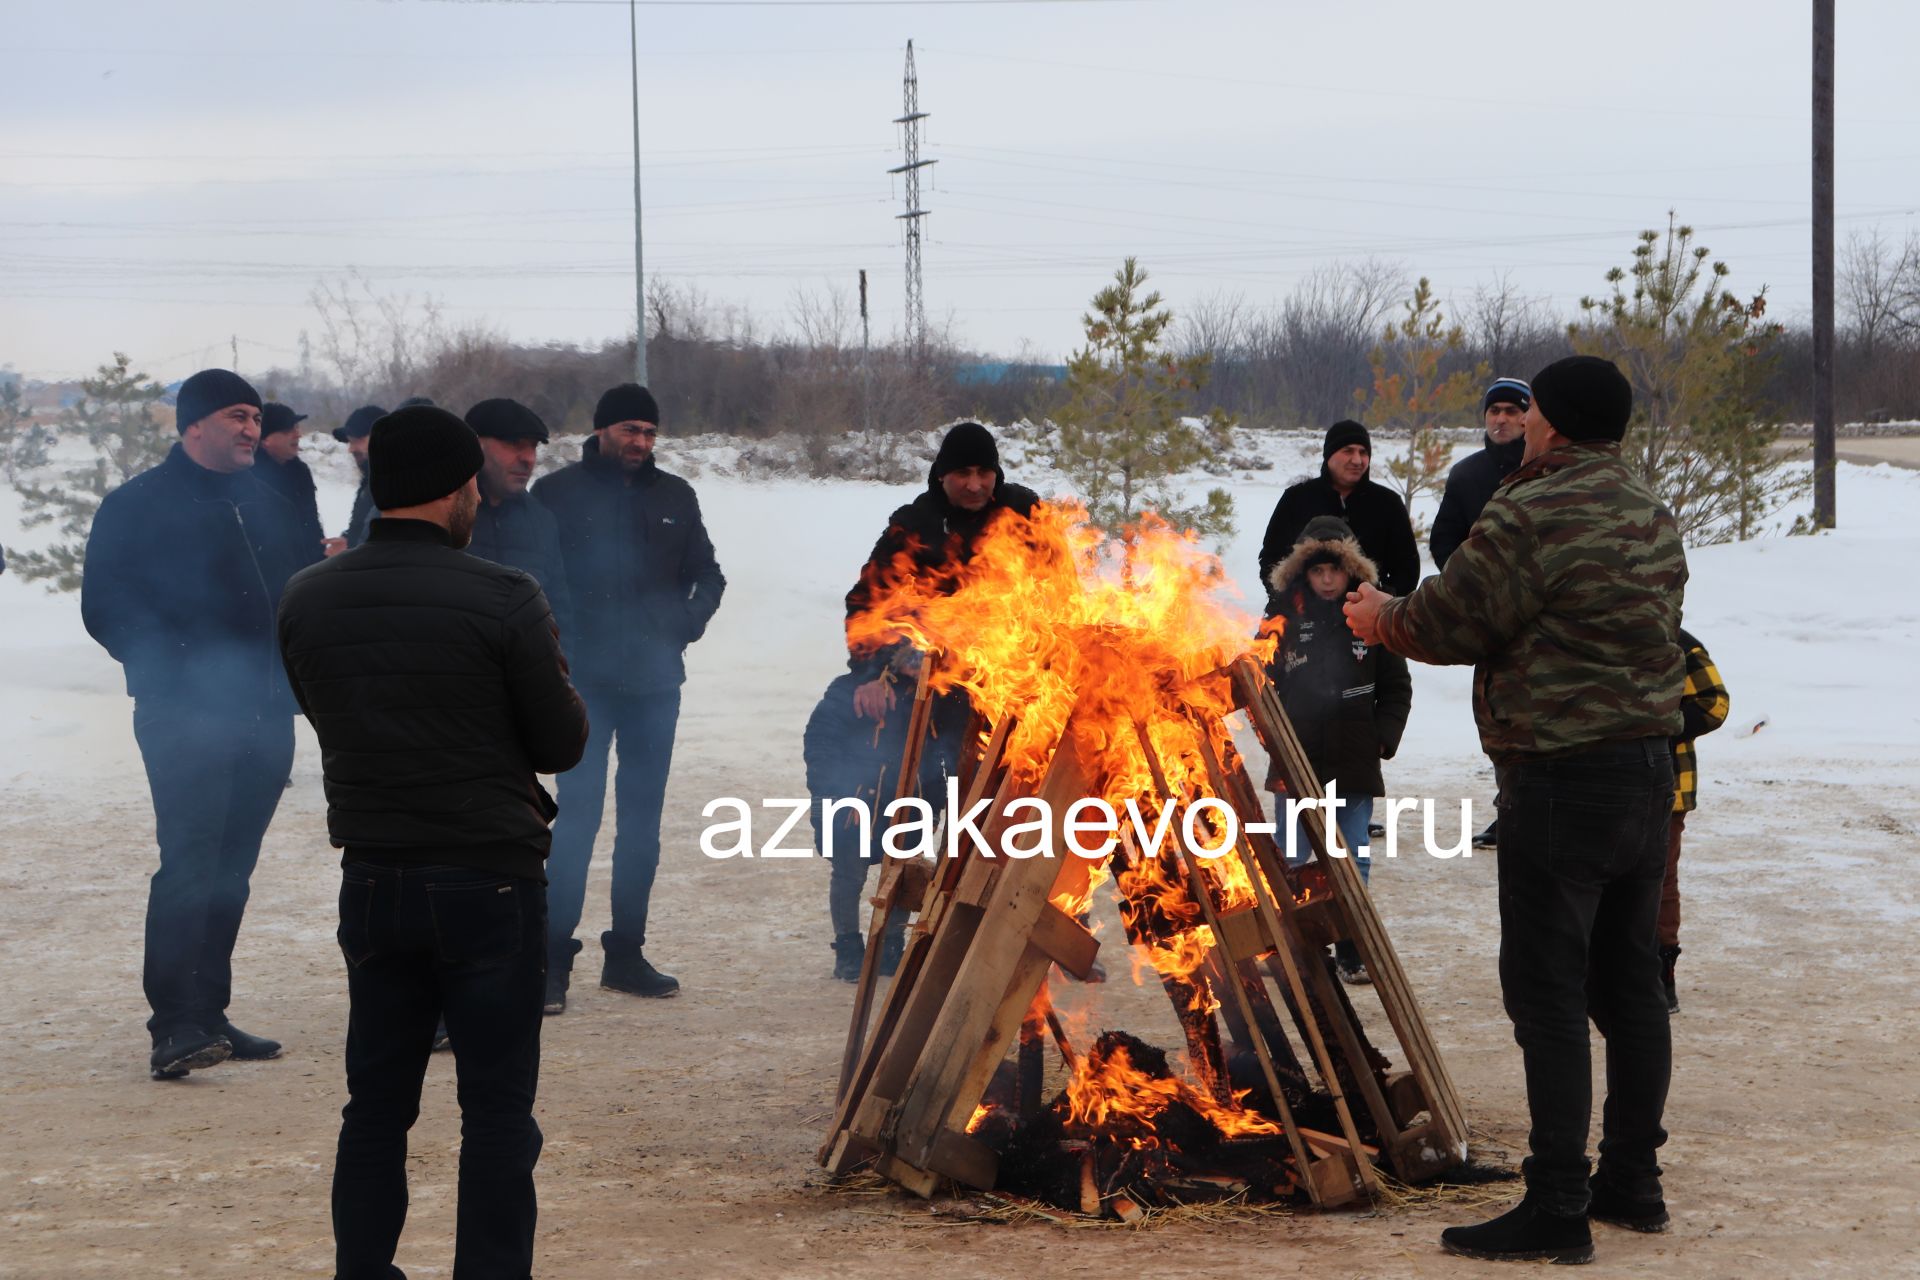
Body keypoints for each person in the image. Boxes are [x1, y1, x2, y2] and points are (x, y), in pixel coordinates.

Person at [1345, 355, 1687, 1264]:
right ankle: (1633, 1183)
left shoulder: (1529, 509)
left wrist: (1381, 615)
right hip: (1648, 771)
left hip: (1559, 776)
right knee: (1630, 986)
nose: (1522, 422)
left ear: (1556, 421)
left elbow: (1451, 621)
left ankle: (1559, 1207)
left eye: (1530, 409)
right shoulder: (1649, 509)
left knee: (1547, 995)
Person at [278, 404, 588, 1280]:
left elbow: (321, 706)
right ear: (458, 492)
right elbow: (560, 743)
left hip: (373, 879)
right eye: (472, 492)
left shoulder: (307, 594)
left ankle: (363, 1271)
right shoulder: (505, 597)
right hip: (488, 880)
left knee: (374, 1106)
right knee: (495, 1110)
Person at [80, 368, 319, 1080]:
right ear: (193, 427)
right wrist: (178, 669)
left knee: (233, 870)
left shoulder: (267, 498)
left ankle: (210, 1012)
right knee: (191, 862)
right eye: (238, 416)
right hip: (186, 713)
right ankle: (173, 1024)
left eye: (254, 417)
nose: (252, 428)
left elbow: (302, 587)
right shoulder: (137, 505)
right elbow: (106, 607)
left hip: (267, 709)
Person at [532, 383, 725, 1007]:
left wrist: (682, 626)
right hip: (582, 686)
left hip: (654, 685)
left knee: (640, 826)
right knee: (577, 821)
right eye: (629, 431)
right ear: (601, 430)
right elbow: (534, 584)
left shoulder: (676, 495)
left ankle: (627, 954)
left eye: (648, 432)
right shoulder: (557, 495)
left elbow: (709, 576)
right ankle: (552, 961)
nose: (639, 443)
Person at [828, 422, 1040, 978]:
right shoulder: (915, 524)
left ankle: (990, 935)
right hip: (925, 694)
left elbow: (1055, 591)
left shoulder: (1024, 514)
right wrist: (871, 673)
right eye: (963, 473)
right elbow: (864, 603)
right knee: (913, 816)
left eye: (984, 472)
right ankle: (895, 938)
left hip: (1001, 689)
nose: (975, 484)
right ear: (942, 474)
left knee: (997, 817)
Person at [1263, 514, 1411, 984]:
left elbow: (1397, 685)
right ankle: (1290, 943)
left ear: (1351, 570)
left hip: (1353, 751)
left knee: (1352, 855)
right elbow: (1259, 683)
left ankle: (1352, 947)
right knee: (1291, 853)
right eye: (1317, 570)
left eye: (1335, 569)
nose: (1327, 579)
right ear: (1303, 571)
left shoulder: (1370, 614)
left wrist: (1382, 736)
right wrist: (1273, 734)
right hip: (1297, 751)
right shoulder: (1280, 617)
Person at [1431, 376, 1533, 850]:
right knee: (1498, 714)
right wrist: (1467, 588)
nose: (1502, 419)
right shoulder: (1468, 474)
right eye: (1495, 411)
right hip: (1490, 618)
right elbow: (1444, 539)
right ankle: (1508, 806)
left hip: (1543, 614)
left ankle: (1532, 809)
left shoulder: (1544, 469)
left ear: (1529, 418)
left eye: (1513, 411)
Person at [1257, 419, 1420, 600]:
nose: (1357, 460)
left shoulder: (1388, 503)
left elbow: (1407, 567)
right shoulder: (1297, 498)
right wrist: (1287, 600)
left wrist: (1385, 600)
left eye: (1363, 452)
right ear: (1329, 455)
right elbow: (1272, 558)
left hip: (1368, 615)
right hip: (1304, 612)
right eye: (1348, 451)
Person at [465, 397, 574, 644]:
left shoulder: (541, 521)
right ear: (474, 444)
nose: (529, 458)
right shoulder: (438, 512)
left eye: (533, 446)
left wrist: (559, 675)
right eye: (514, 444)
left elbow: (559, 614)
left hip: (523, 679)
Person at [1660, 627, 1729, 1013]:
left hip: (1670, 786)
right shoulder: (1595, 631)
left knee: (1660, 879)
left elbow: (1714, 703)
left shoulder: (1677, 641)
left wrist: (1659, 727)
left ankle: (1661, 967)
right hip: (1606, 783)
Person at [254, 400, 327, 558]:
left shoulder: (300, 471)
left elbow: (311, 522)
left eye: (297, 428)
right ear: (265, 439)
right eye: (288, 430)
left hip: (307, 567)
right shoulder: (249, 475)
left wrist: (321, 560)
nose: (297, 434)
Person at [328, 404, 385, 556]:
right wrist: (349, 540)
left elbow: (387, 547)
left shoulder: (395, 485)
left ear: (382, 437)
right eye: (349, 442)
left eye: (357, 440)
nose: (351, 449)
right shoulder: (371, 479)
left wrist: (350, 553)